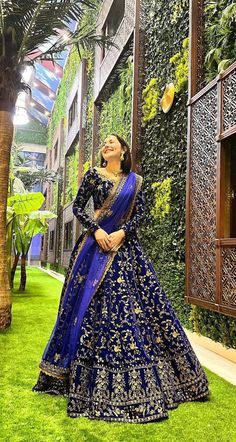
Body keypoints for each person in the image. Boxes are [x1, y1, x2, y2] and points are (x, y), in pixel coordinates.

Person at [32, 133, 209, 423]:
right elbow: (78, 207)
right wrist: (98, 230)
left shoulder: (135, 181)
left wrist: (122, 232)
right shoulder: (93, 175)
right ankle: (74, 374)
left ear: (123, 151)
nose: (106, 145)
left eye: (112, 142)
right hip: (94, 248)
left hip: (125, 249)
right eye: (104, 143)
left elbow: (140, 214)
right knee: (86, 309)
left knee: (140, 308)